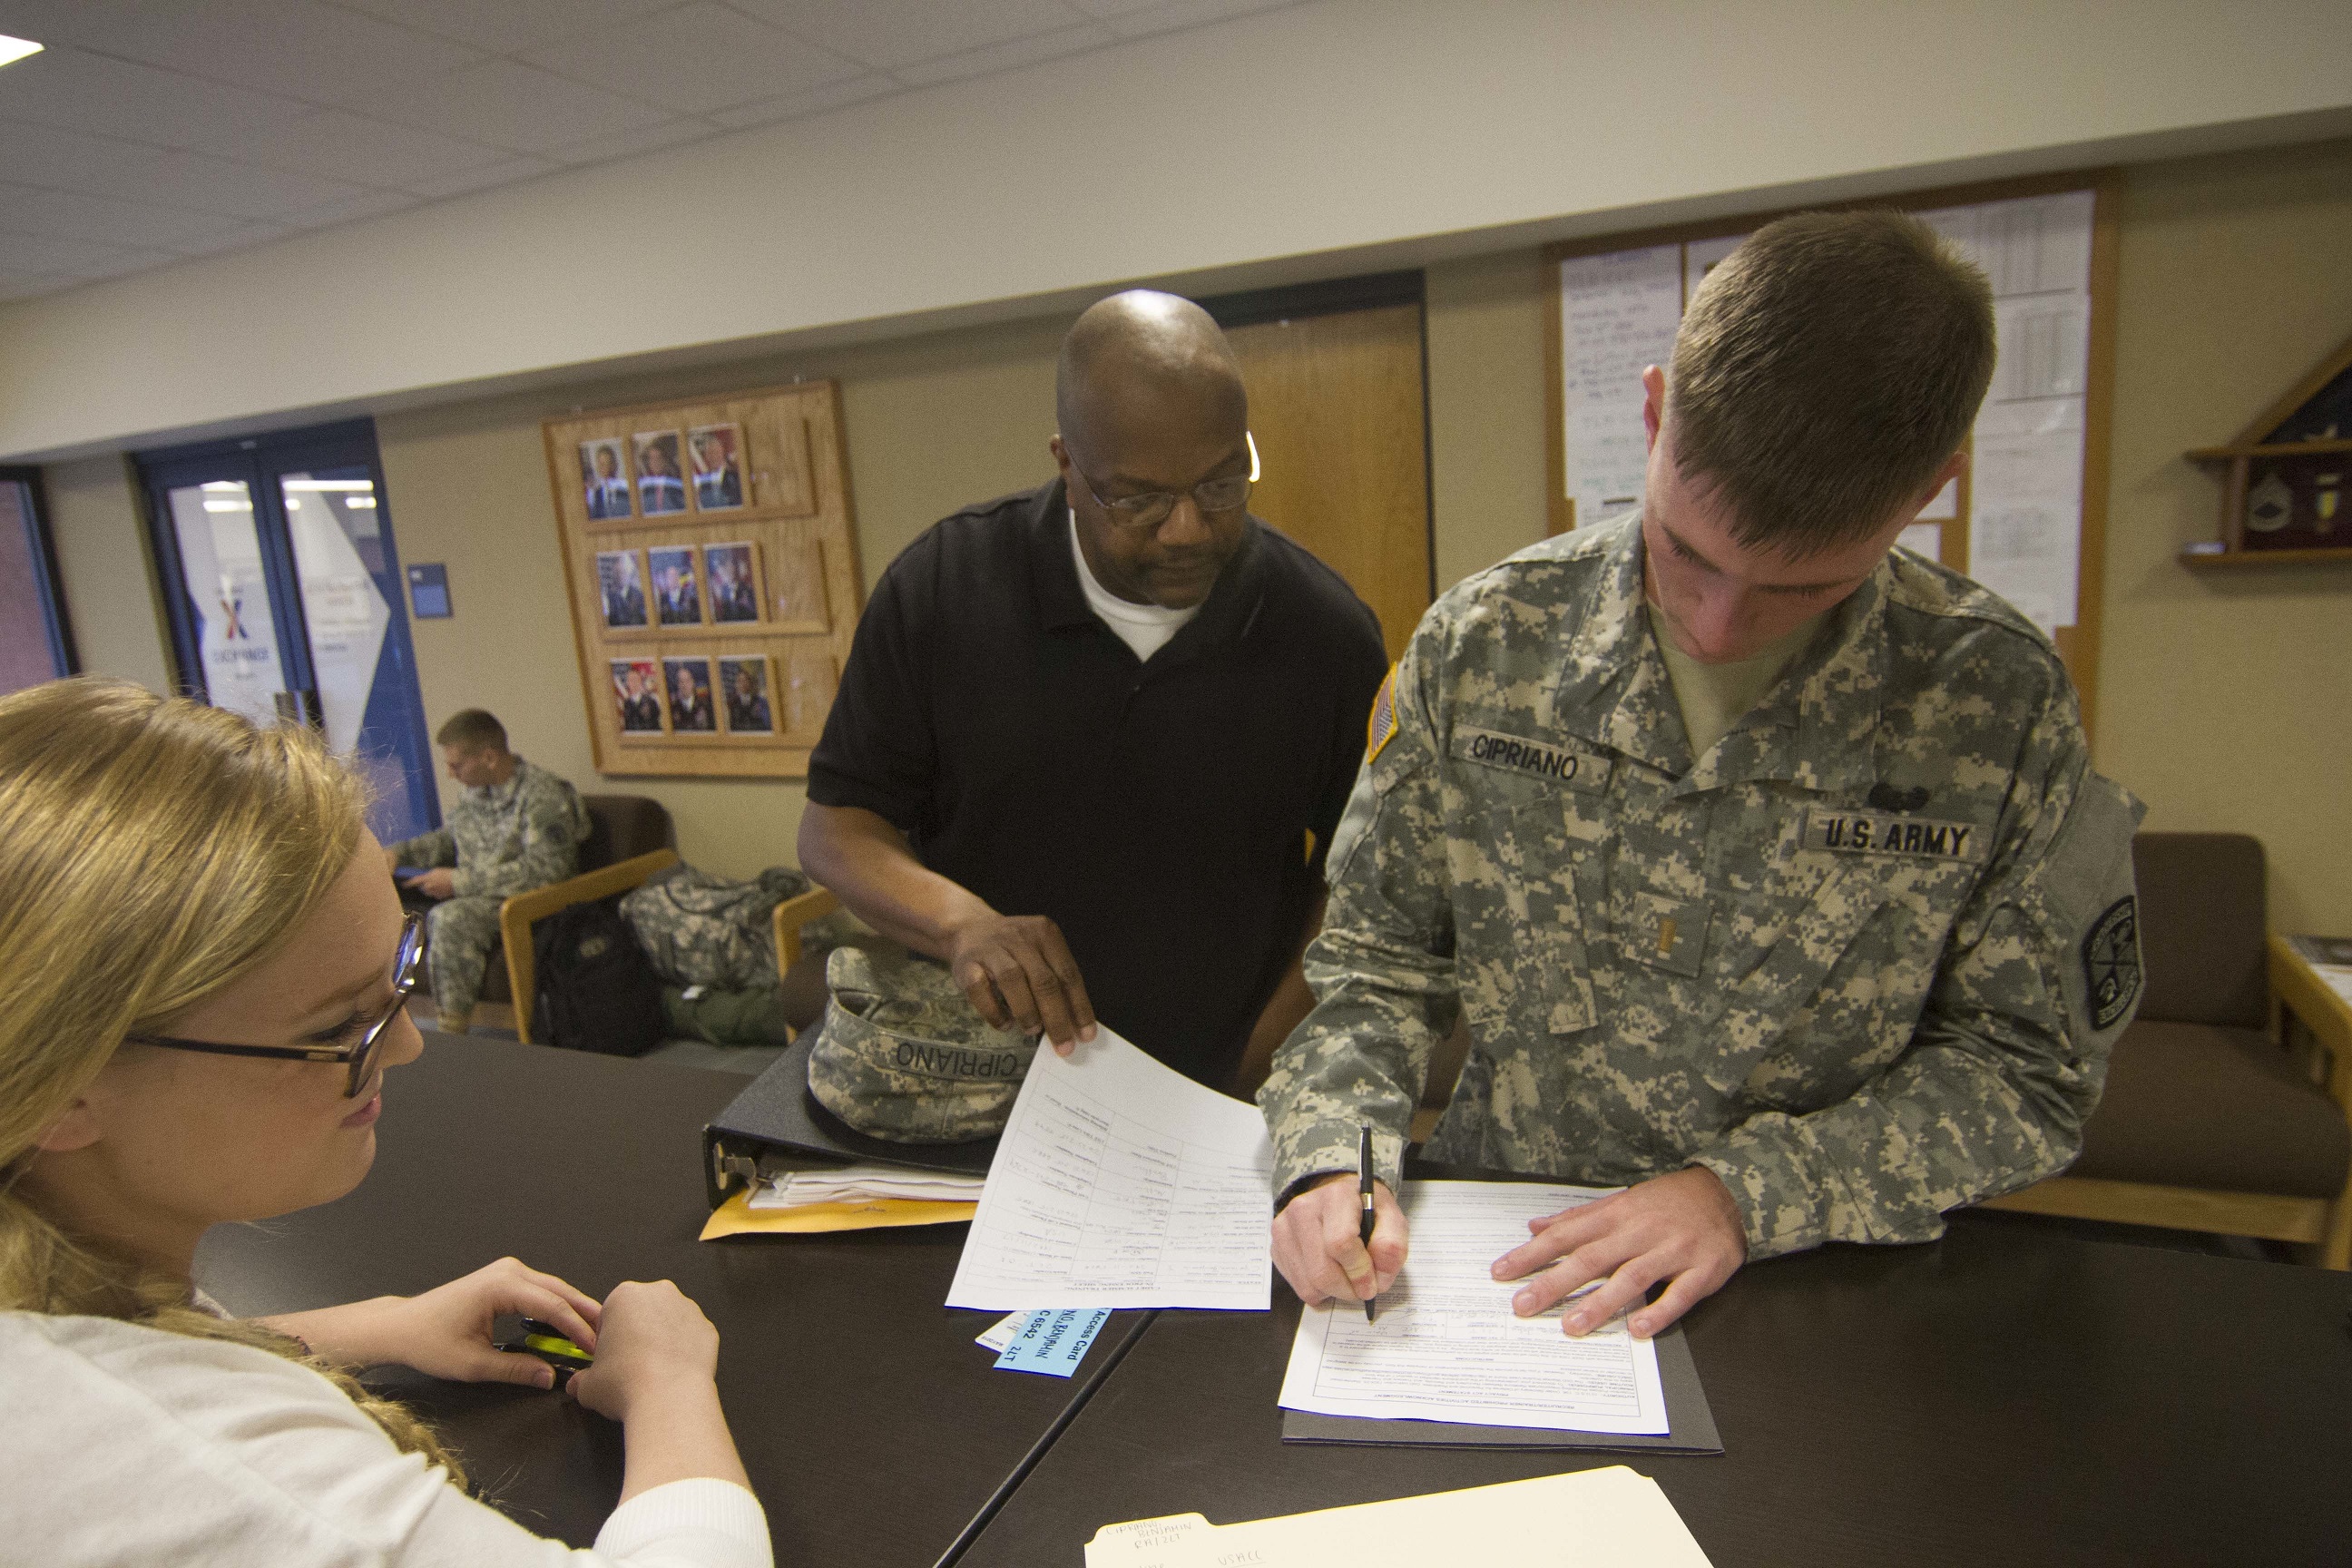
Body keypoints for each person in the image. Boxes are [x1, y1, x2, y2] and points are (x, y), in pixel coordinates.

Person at [1261, 211, 2144, 1341]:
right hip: (1500, 1273)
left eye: (1799, 588)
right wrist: (1333, 1154)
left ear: (1932, 488)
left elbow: (2028, 1071)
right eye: (1688, 551)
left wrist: (1745, 1193)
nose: (1721, 626)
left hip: (1804, 1282)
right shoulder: (1486, 644)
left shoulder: (1998, 704)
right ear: (1652, 410)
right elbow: (1379, 969)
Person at [0, 677, 768, 1565]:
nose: (406, 1047)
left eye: (402, 968)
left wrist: (373, 1327)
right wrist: (667, 1384)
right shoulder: (244, 1488)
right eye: (338, 1027)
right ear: (61, 1085)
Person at [800, 290, 1388, 1093]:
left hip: (1221, 1087)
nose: (1187, 528)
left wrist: (1262, 1067)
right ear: (1068, 466)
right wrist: (961, 923)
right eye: (1138, 498)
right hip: (984, 1083)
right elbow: (836, 829)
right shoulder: (943, 590)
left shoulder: (1324, 632)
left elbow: (1358, 877)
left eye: (1221, 485)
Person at [382, 709, 592, 1033]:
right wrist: (399, 853)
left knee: (449, 919)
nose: (451, 774)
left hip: (529, 905)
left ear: (490, 757)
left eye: (457, 765)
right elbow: (448, 840)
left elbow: (549, 870)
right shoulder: (474, 793)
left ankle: (453, 1032)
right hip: (482, 897)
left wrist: (459, 881)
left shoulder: (542, 795)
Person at [692, 433, 743, 510]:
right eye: (710, 453)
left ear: (722, 451)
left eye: (716, 452)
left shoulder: (733, 474)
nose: (714, 457)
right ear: (706, 456)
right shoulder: (703, 482)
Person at [639, 437, 688, 515]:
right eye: (652, 459)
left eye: (658, 458)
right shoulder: (645, 486)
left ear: (665, 460)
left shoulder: (675, 483)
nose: (655, 463)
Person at [585, 444, 632, 521]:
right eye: (602, 464)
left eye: (609, 463)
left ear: (614, 465)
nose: (605, 468)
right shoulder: (594, 493)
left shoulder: (625, 488)